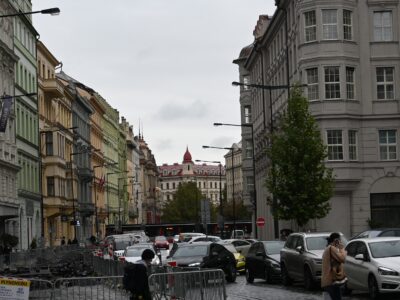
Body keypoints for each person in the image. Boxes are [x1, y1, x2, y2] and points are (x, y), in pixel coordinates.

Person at [321, 232, 347, 300]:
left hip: (327, 282)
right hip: (331, 281)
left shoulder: (328, 248)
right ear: (336, 240)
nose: (340, 242)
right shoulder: (332, 248)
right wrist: (342, 249)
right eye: (339, 240)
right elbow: (343, 259)